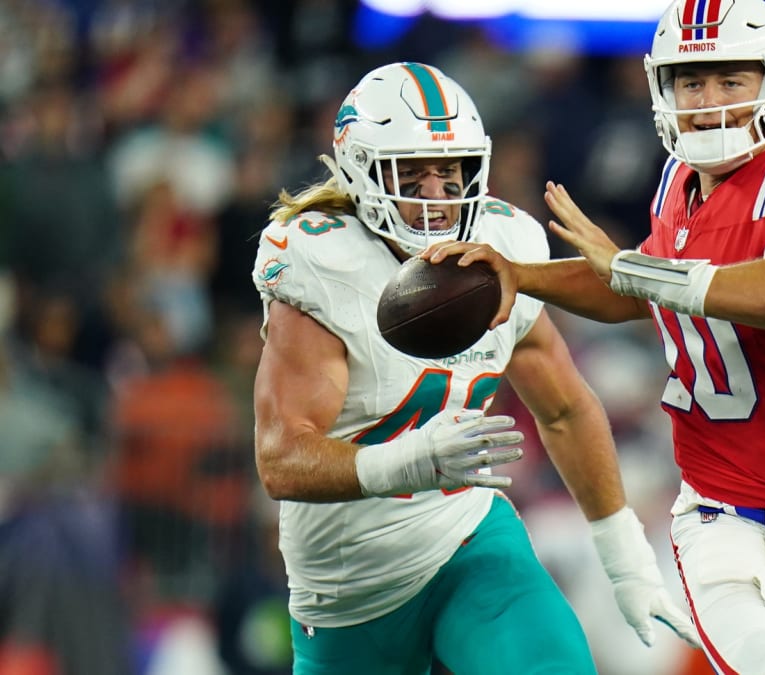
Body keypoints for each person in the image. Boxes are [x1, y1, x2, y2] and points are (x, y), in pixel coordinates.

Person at [424, 1, 765, 673]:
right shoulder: (678, 185)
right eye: (693, 81)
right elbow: (634, 288)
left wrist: (635, 266)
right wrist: (520, 274)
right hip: (728, 516)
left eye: (731, 79)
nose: (709, 100)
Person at [250, 62, 699, 675]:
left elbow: (565, 406)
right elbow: (281, 457)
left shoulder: (499, 249)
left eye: (449, 170)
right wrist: (409, 461)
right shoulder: (321, 261)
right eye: (413, 172)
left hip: (468, 540)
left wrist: (623, 555)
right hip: (349, 590)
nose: (436, 195)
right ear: (360, 170)